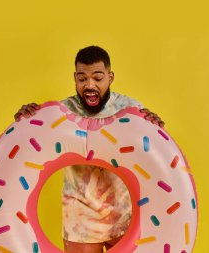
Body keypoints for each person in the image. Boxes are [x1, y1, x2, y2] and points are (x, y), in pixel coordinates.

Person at [14, 46, 164, 253]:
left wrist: (154, 127)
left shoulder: (129, 109)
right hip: (80, 218)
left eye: (97, 78)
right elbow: (30, 145)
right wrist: (28, 120)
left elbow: (151, 152)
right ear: (75, 78)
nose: (89, 85)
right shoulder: (62, 112)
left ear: (110, 77)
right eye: (82, 79)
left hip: (123, 215)